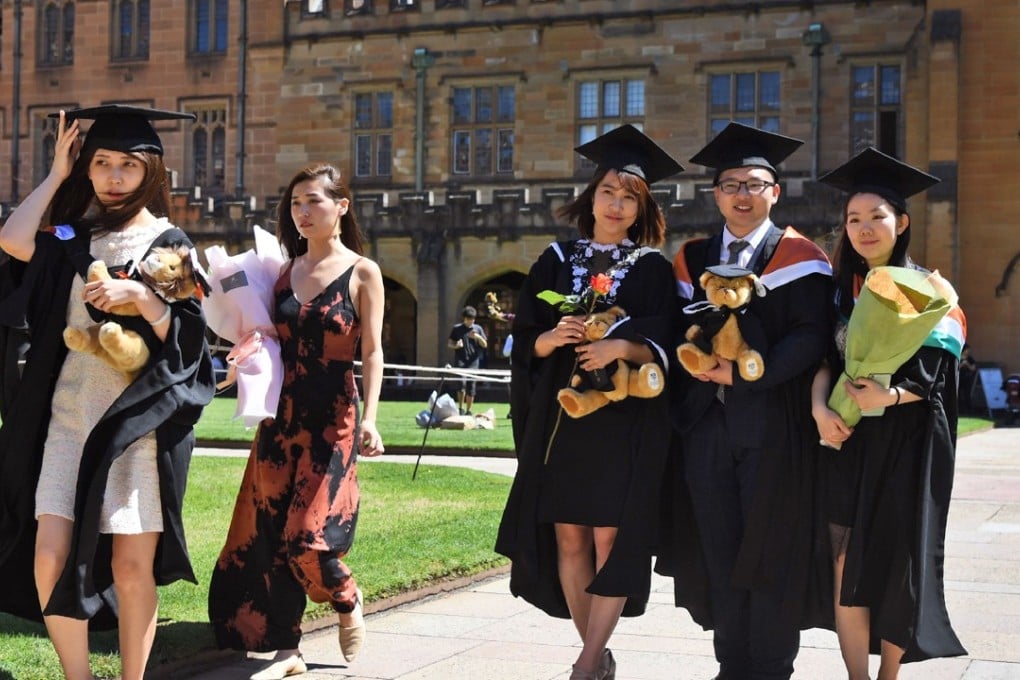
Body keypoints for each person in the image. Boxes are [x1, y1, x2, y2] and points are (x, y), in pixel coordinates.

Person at [0, 105, 215, 680]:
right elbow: (12, 240)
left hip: (135, 427)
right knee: (49, 555)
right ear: (87, 169)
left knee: (130, 566)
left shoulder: (169, 244)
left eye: (127, 164)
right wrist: (56, 174)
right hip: (68, 419)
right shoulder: (72, 237)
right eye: (101, 163)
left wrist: (144, 300)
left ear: (150, 170)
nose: (114, 176)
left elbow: (191, 346)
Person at [495, 124, 681, 680]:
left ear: (642, 208)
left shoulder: (651, 267)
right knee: (570, 536)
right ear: (591, 196)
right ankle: (596, 657)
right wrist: (553, 337)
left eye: (629, 197)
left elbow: (666, 338)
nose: (616, 204)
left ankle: (583, 665)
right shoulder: (554, 259)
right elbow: (526, 337)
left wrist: (620, 345)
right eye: (608, 192)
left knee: (609, 538)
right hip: (561, 422)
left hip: (623, 424)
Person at [656, 122, 834, 680]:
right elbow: (674, 329)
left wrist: (744, 375)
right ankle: (732, 664)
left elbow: (811, 335)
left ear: (774, 192)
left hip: (774, 427)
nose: (742, 194)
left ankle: (772, 666)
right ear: (715, 194)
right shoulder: (692, 258)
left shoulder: (802, 257)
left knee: (771, 546)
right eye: (731, 184)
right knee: (719, 546)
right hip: (706, 429)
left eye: (754, 184)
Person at [208, 163, 385, 680]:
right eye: (295, 204)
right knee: (270, 535)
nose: (302, 212)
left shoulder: (363, 272)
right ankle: (287, 651)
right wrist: (242, 359)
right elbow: (264, 335)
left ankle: (346, 597)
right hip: (280, 421)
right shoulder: (281, 271)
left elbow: (373, 352)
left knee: (308, 534)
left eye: (313, 201)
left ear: (342, 207)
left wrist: (372, 418)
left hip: (334, 421)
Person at [811, 148, 967, 678]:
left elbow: (940, 377)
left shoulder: (932, 291)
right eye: (853, 218)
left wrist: (891, 396)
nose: (863, 228)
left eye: (876, 216)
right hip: (847, 439)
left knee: (895, 563)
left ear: (901, 223)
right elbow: (825, 362)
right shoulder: (840, 293)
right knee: (842, 561)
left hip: (906, 441)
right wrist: (818, 407)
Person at [447, 305, 487, 415]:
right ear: (464, 318)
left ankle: (469, 410)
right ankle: (460, 408)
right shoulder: (457, 329)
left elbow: (485, 344)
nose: (471, 321)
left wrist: (478, 337)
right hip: (460, 360)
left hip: (473, 362)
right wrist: (456, 345)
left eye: (473, 319)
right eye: (469, 319)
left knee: (471, 386)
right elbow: (449, 343)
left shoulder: (478, 329)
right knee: (461, 384)